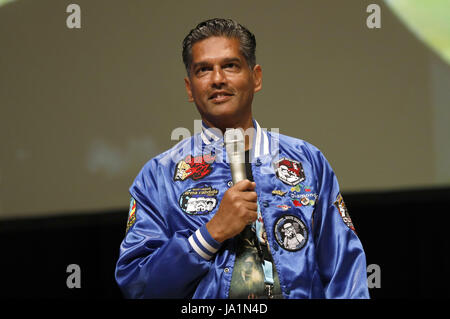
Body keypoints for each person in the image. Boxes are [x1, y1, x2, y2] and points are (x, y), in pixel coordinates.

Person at [115, 18, 370, 299]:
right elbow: (137, 285)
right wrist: (210, 234)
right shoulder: (158, 176)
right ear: (190, 88)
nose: (217, 79)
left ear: (256, 77)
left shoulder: (308, 162)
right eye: (203, 70)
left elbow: (345, 275)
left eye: (230, 66)